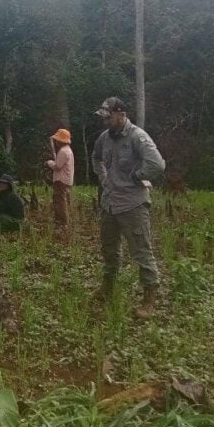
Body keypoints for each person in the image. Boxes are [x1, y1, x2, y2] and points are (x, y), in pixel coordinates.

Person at [91, 97, 166, 319]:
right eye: (103, 117)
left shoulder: (137, 136)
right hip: (110, 203)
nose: (105, 121)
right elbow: (97, 159)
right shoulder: (104, 138)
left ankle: (149, 299)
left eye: (109, 116)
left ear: (121, 114)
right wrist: (104, 178)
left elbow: (157, 164)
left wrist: (137, 176)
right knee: (109, 249)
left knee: (141, 251)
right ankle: (108, 287)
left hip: (133, 204)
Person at [45, 129, 74, 231]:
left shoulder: (63, 151)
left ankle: (62, 223)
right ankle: (60, 221)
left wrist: (49, 163)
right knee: (61, 201)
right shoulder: (68, 150)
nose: (56, 142)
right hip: (66, 180)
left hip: (61, 180)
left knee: (60, 202)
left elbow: (57, 166)